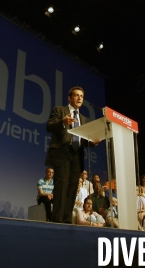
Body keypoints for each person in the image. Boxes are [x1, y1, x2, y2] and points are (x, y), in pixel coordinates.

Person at [45, 86, 98, 223]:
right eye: (77, 95)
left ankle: (67, 220)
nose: (80, 98)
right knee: (61, 185)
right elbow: (49, 126)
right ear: (70, 98)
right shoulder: (59, 110)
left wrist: (92, 142)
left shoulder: (83, 118)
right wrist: (63, 122)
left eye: (82, 96)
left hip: (76, 155)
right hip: (63, 153)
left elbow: (82, 139)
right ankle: (57, 220)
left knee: (72, 188)